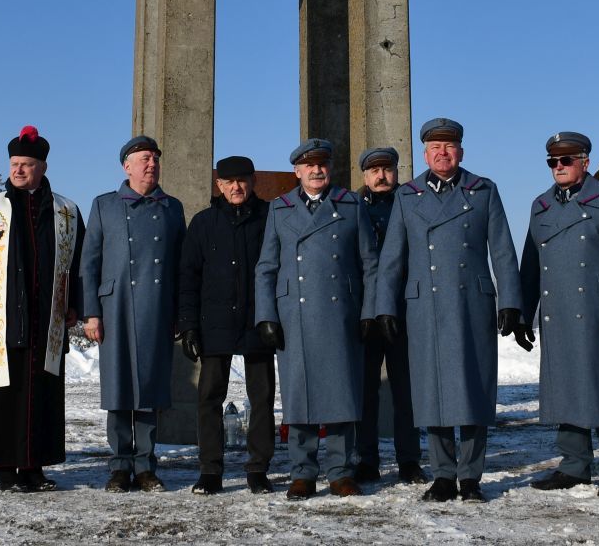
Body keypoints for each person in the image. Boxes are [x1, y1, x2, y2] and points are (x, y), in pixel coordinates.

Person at [375, 118, 526, 504]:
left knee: (474, 388)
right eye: (435, 148)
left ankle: (471, 476)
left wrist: (511, 301)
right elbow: (392, 258)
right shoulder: (407, 195)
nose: (443, 153)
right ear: (425, 154)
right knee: (432, 390)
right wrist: (385, 306)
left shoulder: (483, 190)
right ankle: (443, 475)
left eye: (449, 146)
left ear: (461, 151)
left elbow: (503, 250)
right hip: (424, 305)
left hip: (471, 303)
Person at [255, 138, 380, 499]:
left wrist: (369, 311)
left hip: (342, 315)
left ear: (330, 168)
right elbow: (266, 267)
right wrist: (266, 315)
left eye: (322, 164)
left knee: (342, 394)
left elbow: (370, 264)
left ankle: (341, 472)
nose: (316, 170)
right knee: (300, 396)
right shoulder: (279, 209)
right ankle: (302, 473)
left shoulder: (351, 205)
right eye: (308, 165)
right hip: (294, 316)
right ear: (297, 171)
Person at [0, 126, 84, 492]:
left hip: (46, 319)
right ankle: (3, 467)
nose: (18, 170)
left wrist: (75, 305)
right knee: (3, 394)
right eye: (14, 163)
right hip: (2, 318)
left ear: (42, 167)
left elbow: (78, 264)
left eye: (26, 164)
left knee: (41, 394)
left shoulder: (66, 210)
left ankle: (33, 467)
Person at [520, 132, 599, 498]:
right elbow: (530, 267)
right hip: (557, 312)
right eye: (553, 161)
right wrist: (524, 315)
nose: (559, 166)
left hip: (598, 313)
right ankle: (574, 465)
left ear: (585, 162)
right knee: (566, 387)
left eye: (566, 160)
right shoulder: (541, 206)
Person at [82, 135, 185, 492]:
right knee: (119, 388)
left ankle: (145, 466)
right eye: (144, 159)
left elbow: (180, 266)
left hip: (157, 307)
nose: (152, 164)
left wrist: (179, 312)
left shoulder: (172, 208)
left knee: (150, 387)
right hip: (116, 309)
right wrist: (91, 313)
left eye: (155, 159)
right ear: (127, 166)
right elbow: (89, 263)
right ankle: (119, 465)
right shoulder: (105, 205)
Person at [176, 155, 276, 494]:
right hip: (214, 323)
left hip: (257, 321)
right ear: (219, 185)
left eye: (242, 180)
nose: (236, 187)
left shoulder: (269, 218)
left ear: (253, 182)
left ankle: (258, 468)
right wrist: (188, 325)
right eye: (229, 182)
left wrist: (275, 318)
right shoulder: (203, 223)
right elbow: (188, 277)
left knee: (262, 397)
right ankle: (210, 470)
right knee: (209, 397)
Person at [352, 146, 425, 485]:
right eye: (374, 170)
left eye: (387, 169)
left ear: (397, 171)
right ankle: (366, 460)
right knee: (365, 390)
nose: (381, 176)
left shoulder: (412, 204)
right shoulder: (352, 207)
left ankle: (409, 460)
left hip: (404, 311)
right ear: (365, 175)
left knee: (406, 391)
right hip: (365, 313)